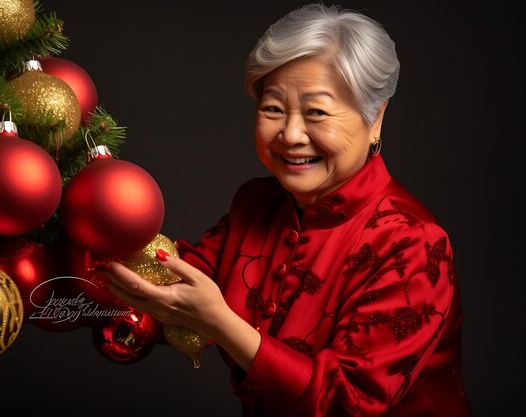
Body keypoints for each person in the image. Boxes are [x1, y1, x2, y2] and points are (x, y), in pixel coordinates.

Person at [106, 2, 473, 416]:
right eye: (273, 109)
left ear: (375, 120)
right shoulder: (258, 203)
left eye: (316, 112)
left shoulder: (414, 244)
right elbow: (174, 282)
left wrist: (221, 324)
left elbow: (348, 403)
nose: (291, 134)